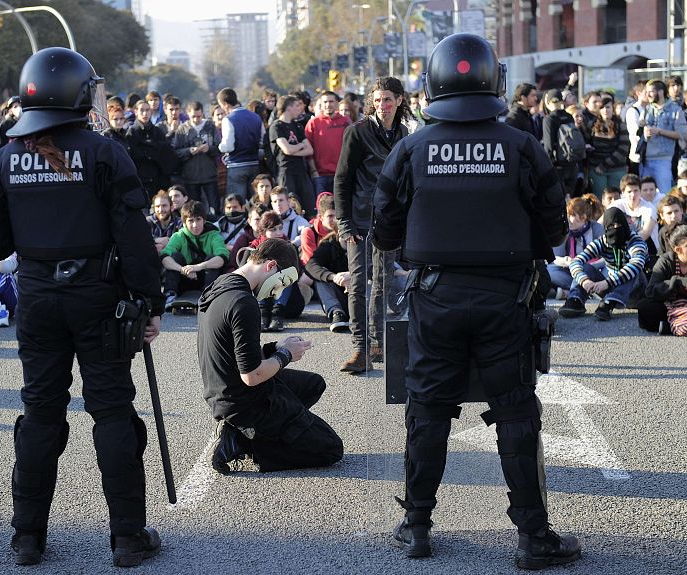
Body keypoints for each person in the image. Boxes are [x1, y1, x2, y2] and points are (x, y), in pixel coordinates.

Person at [371, 34, 580, 569]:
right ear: (494, 80)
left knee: (428, 409)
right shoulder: (520, 144)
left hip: (434, 297)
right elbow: (554, 225)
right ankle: (533, 537)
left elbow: (385, 228)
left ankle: (417, 525)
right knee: (515, 411)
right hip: (505, 297)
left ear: (432, 84)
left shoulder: (413, 147)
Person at [0, 48, 165, 568]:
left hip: (35, 300)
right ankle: (127, 538)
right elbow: (135, 238)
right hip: (99, 299)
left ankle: (26, 538)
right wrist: (150, 302)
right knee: (112, 414)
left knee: (39, 414)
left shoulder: (4, 158)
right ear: (78, 93)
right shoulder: (105, 153)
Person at [197, 237, 343, 474]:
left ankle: (258, 429)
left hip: (221, 390)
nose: (278, 292)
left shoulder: (222, 285)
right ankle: (245, 440)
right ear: (270, 266)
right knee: (331, 449)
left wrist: (275, 347)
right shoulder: (244, 303)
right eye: (281, 283)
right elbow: (252, 375)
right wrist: (285, 354)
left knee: (313, 384)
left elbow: (232, 350)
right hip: (244, 401)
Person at [334, 76, 409, 374]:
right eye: (377, 100)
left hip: (388, 219)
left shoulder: (403, 133)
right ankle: (360, 348)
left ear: (399, 100)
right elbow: (342, 179)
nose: (383, 105)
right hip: (359, 218)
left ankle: (377, 344)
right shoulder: (357, 132)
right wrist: (344, 222)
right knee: (358, 282)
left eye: (388, 99)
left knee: (383, 281)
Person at [560, 207, 648, 320]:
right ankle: (575, 299)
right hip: (609, 286)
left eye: (618, 225)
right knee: (586, 267)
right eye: (611, 226)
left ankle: (609, 303)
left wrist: (607, 282)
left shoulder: (635, 241)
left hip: (635, 291)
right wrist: (585, 281)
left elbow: (637, 264)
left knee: (633, 270)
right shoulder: (603, 242)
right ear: (606, 228)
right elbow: (576, 261)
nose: (615, 229)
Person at [160, 200, 228, 310]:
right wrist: (183, 269)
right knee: (175, 256)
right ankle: (170, 294)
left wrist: (198, 267)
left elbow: (222, 258)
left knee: (213, 259)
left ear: (204, 220)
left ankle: (209, 296)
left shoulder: (214, 235)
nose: (195, 225)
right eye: (190, 221)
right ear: (184, 223)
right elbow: (164, 257)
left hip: (206, 278)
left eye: (198, 220)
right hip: (184, 278)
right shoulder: (178, 236)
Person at [548, 194, 604, 299]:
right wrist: (566, 261)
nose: (568, 219)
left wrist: (588, 265)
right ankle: (586, 290)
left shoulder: (597, 229)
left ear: (584, 217)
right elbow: (555, 258)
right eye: (567, 215)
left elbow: (605, 258)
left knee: (604, 271)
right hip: (571, 271)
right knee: (548, 270)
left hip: (593, 269)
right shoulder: (565, 229)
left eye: (572, 215)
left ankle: (574, 291)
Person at [639, 224, 687, 334]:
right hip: (669, 303)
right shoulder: (666, 261)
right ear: (678, 250)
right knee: (645, 307)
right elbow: (650, 291)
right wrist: (677, 284)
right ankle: (675, 325)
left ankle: (668, 327)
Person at [218, 88, 265, 199]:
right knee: (255, 200)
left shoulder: (228, 119)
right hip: (254, 162)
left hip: (236, 165)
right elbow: (263, 140)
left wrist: (220, 146)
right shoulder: (256, 117)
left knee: (237, 201)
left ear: (225, 104)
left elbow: (228, 146)